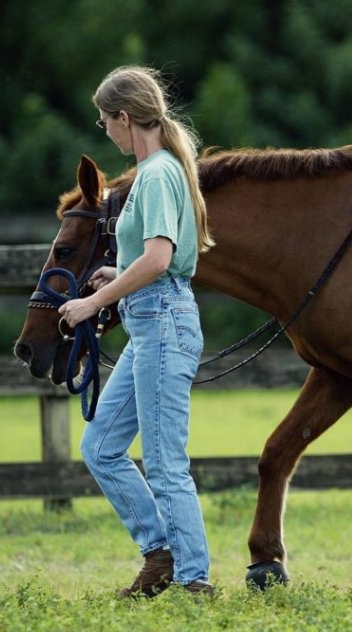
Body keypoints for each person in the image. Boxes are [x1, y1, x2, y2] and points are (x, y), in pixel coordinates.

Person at [58, 65, 216, 599]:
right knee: (101, 446)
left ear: (125, 118)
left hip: (164, 322)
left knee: (167, 461)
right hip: (151, 320)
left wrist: (93, 301)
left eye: (105, 121)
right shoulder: (162, 171)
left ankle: (194, 579)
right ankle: (161, 553)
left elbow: (160, 257)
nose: (105, 131)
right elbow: (146, 260)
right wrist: (115, 275)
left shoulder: (156, 173)